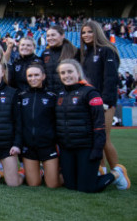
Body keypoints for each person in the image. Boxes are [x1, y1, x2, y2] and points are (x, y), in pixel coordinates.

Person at [55, 59, 130, 192]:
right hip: (67, 147)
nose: (66, 75)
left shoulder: (90, 92)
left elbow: (99, 125)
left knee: (87, 188)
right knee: (70, 186)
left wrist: (97, 149)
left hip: (86, 146)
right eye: (63, 73)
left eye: (70, 71)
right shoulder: (60, 93)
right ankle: (95, 172)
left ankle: (117, 173)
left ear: (78, 73)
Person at [78, 21, 122, 174]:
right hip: (88, 103)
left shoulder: (107, 50)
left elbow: (110, 78)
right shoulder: (85, 53)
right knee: (94, 140)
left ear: (97, 32)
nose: (86, 35)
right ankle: (101, 170)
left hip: (104, 103)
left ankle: (119, 172)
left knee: (103, 139)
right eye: (83, 33)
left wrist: (106, 101)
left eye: (90, 32)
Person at [18, 64, 60, 188]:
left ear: (43, 76)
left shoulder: (52, 96)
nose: (33, 78)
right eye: (30, 76)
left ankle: (56, 173)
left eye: (36, 75)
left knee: (52, 185)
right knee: (34, 184)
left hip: (48, 145)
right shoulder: (21, 96)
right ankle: (40, 171)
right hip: (29, 146)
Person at [42, 25, 76, 93]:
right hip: (49, 93)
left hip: (68, 94)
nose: (50, 38)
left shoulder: (73, 52)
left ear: (62, 36)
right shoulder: (45, 53)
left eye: (53, 35)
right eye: (48, 36)